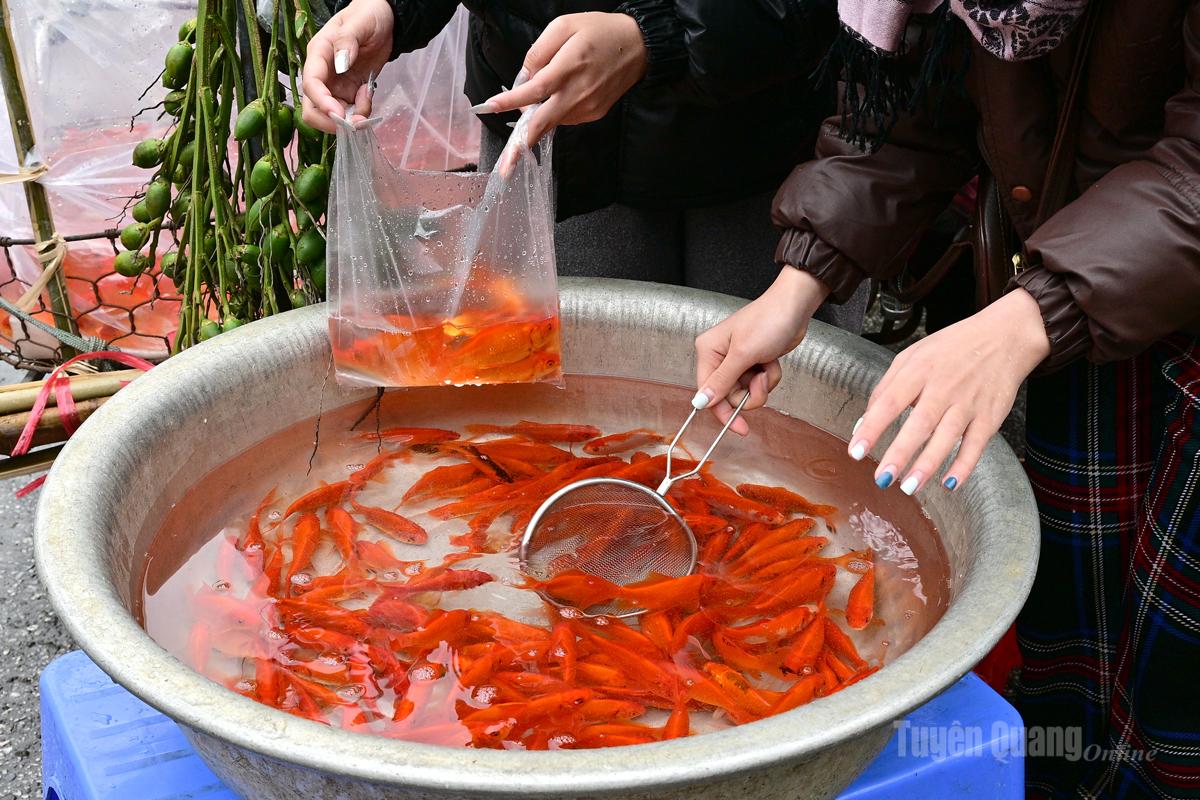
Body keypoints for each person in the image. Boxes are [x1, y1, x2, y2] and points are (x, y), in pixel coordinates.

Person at [695, 2, 1200, 797]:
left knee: (1179, 676)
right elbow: (916, 111)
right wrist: (801, 280)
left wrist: (1035, 313)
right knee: (1078, 642)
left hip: (1114, 305)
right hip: (1089, 305)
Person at [300, 0, 869, 330]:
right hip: (540, 138)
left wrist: (657, 38)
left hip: (750, 151)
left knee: (755, 423)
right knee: (539, 412)